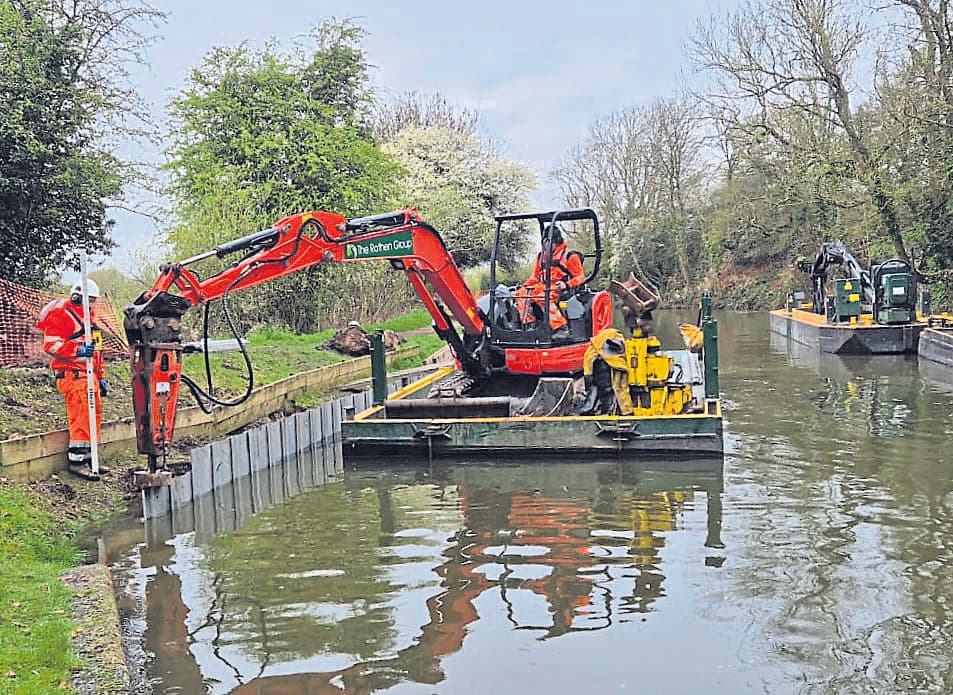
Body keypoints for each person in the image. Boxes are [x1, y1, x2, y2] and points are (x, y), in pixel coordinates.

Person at [36, 280, 108, 479]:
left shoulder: (91, 320)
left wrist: (101, 376)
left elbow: (98, 352)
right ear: (79, 298)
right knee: (81, 417)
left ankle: (90, 457)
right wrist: (77, 350)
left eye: (95, 301)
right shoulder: (61, 315)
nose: (94, 305)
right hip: (72, 375)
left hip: (89, 375)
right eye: (91, 300)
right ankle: (77, 462)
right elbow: (51, 345)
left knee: (94, 417)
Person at [515, 223, 586, 340]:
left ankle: (561, 328)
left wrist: (566, 284)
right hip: (542, 286)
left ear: (557, 241)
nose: (547, 245)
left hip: (560, 288)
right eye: (545, 242)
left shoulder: (570, 256)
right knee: (521, 294)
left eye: (550, 242)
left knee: (543, 296)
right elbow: (535, 277)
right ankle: (529, 326)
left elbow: (580, 277)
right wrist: (525, 286)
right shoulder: (540, 256)